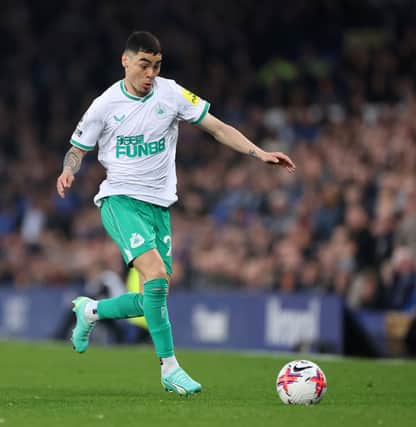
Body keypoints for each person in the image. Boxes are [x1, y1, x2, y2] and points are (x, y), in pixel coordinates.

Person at [56, 31, 295, 395]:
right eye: (143, 64)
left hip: (159, 206)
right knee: (153, 274)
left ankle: (90, 312)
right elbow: (77, 147)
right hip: (120, 201)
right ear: (125, 61)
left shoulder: (172, 93)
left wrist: (259, 153)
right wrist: (69, 168)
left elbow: (216, 127)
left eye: (156, 66)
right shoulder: (105, 105)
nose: (150, 73)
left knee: (155, 293)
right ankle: (170, 368)